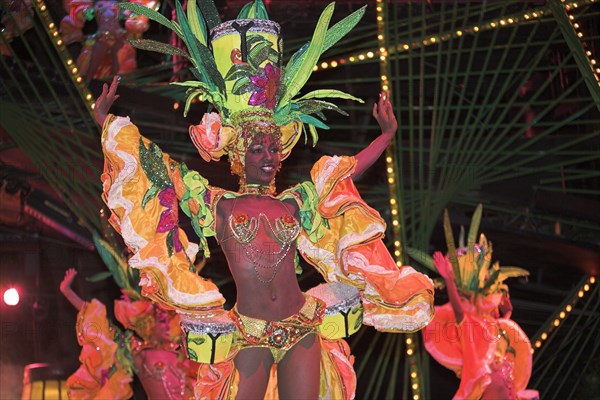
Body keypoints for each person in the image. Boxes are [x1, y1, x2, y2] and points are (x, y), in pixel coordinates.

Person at [96, 1, 435, 398]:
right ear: (239, 155)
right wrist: (105, 121)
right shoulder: (217, 205)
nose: (269, 157)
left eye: (273, 149)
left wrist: (385, 137)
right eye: (258, 149)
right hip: (248, 331)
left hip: (302, 325)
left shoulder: (294, 203)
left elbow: (346, 171)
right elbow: (155, 167)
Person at [421, 207, 538, 400]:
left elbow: (496, 341)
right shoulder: (471, 333)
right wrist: (449, 280)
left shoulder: (488, 329)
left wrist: (506, 315)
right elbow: (460, 314)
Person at [60, 268, 198, 399]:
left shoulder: (183, 349)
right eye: (162, 320)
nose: (167, 325)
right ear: (148, 323)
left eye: (168, 319)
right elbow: (102, 326)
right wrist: (67, 292)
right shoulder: (139, 352)